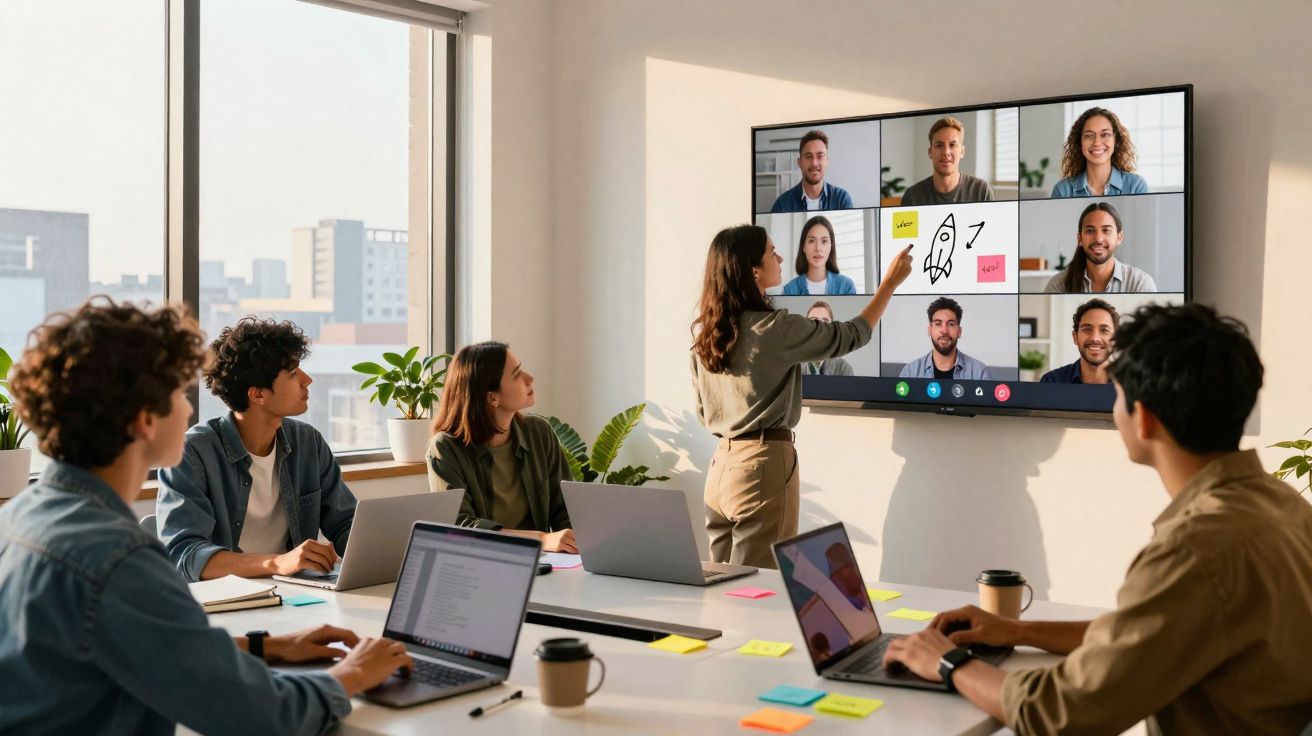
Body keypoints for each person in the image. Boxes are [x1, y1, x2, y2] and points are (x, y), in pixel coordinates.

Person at [883, 303, 1312, 735]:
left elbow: (1059, 712)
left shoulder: (1192, 551)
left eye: (1118, 393)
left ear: (1143, 418)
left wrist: (944, 660)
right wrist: (1016, 630)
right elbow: (1141, 637)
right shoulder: (1283, 504)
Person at [0, 300, 410, 735]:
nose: (190, 409)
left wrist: (266, 647)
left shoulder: (23, 515)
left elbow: (150, 645)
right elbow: (262, 715)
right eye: (179, 395)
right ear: (145, 420)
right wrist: (353, 673)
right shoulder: (120, 559)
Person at [691, 224, 913, 568]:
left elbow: (704, 413)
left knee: (723, 587)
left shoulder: (709, 335)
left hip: (720, 469)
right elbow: (851, 335)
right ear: (753, 270)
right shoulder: (774, 329)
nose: (780, 257)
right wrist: (889, 284)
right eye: (771, 252)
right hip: (761, 468)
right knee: (759, 593)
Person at [156, 317, 357, 582]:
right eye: (293, 373)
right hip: (227, 601)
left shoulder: (307, 443)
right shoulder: (192, 453)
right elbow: (186, 555)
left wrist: (385, 553)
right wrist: (277, 563)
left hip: (296, 595)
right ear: (257, 394)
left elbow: (347, 525)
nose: (307, 380)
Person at [427, 342, 576, 553]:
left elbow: (567, 511)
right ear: (492, 397)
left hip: (547, 564)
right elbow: (460, 526)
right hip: (482, 565)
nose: (530, 378)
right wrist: (541, 539)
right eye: (516, 374)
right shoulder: (445, 448)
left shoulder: (539, 432)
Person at [1044, 201, 1157, 293]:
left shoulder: (1140, 283)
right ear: (1080, 239)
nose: (1098, 239)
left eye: (1106, 230)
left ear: (1119, 237)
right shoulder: (1058, 285)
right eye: (1090, 231)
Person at [1050, 107, 1149, 198]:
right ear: (1079, 142)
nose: (1097, 143)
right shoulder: (1062, 191)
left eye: (1105, 134)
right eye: (1089, 135)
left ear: (1116, 141)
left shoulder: (1136, 186)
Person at [899, 116, 995, 206]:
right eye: (939, 145)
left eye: (952, 145)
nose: (946, 152)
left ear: (962, 151)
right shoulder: (912, 197)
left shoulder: (981, 191)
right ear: (930, 152)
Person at [898, 296, 993, 380]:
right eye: (938, 324)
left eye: (951, 324)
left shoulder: (979, 373)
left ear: (959, 332)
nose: (944, 331)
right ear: (929, 330)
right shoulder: (910, 372)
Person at [769, 130, 854, 213]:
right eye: (808, 157)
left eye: (820, 156)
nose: (814, 163)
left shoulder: (841, 200)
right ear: (800, 163)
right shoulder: (782, 205)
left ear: (827, 162)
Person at [1040, 298, 1119, 384]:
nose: (1095, 338)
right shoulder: (1052, 381)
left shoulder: (1133, 382)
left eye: (1104, 330)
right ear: (1075, 337)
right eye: (1087, 329)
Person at [781, 215, 857, 296]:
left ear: (831, 246)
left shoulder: (846, 287)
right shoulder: (789, 290)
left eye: (824, 241)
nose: (818, 248)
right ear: (803, 246)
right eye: (811, 241)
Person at [802, 301, 856, 376]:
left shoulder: (843, 368)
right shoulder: (791, 368)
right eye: (814, 320)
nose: (820, 326)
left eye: (825, 321)